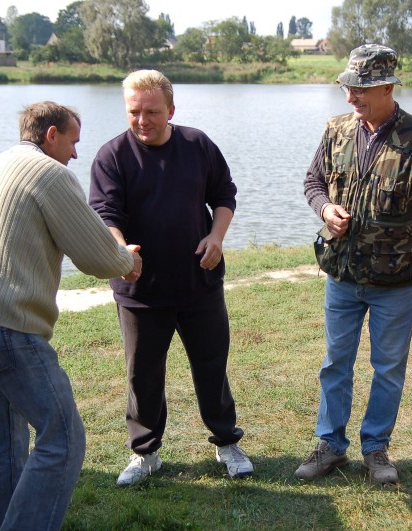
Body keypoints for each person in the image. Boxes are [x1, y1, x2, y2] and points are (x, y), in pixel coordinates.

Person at [0, 101, 142, 531]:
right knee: (64, 438)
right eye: (72, 142)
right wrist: (127, 261)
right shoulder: (49, 175)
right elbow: (94, 254)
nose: (74, 154)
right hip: (9, 329)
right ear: (51, 135)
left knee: (4, 444)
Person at [297, 44, 412, 484]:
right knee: (335, 363)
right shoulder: (336, 130)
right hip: (342, 276)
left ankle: (376, 449)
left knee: (387, 368)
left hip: (395, 282)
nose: (351, 97)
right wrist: (326, 208)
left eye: (361, 89)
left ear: (387, 87)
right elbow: (313, 181)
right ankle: (330, 445)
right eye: (348, 88)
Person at [89, 69, 253, 485]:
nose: (142, 120)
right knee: (142, 373)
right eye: (134, 111)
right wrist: (121, 249)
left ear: (171, 110)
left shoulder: (198, 145)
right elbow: (106, 213)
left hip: (199, 281)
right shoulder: (112, 157)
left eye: (152, 112)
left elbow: (224, 194)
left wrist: (216, 237)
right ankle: (146, 453)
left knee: (212, 365)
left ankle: (226, 442)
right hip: (139, 287)